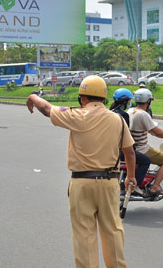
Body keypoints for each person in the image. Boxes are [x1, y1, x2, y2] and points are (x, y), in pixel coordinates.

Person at [26, 75, 136, 268]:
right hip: (110, 182)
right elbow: (129, 152)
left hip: (81, 183)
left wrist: (33, 96)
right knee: (113, 232)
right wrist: (131, 177)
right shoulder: (118, 120)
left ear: (83, 98)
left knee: (84, 236)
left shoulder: (76, 115)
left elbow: (45, 108)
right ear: (103, 97)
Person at [128, 88, 163, 196]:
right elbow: (156, 131)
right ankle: (155, 187)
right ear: (148, 101)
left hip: (131, 148)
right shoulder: (143, 114)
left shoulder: (130, 111)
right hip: (141, 148)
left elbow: (151, 129)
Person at [110, 88, 151, 194]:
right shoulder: (123, 115)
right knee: (146, 160)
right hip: (122, 151)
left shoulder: (111, 112)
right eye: (128, 101)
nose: (130, 103)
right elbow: (125, 136)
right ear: (124, 101)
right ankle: (135, 186)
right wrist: (132, 150)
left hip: (111, 149)